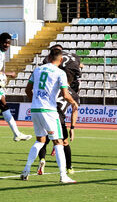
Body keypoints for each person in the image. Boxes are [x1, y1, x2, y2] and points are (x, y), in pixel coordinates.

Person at [20, 49, 78, 183]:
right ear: (61, 60)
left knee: (40, 140)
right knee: (58, 142)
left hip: (35, 109)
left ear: (49, 56)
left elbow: (28, 89)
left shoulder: (38, 70)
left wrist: (35, 101)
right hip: (49, 111)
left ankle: (26, 170)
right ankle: (63, 176)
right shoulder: (60, 73)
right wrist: (73, 102)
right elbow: (65, 94)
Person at [37, 70, 79, 175]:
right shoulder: (74, 95)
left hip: (47, 115)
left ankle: (42, 159)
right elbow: (75, 111)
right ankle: (68, 168)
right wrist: (72, 128)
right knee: (64, 143)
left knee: (43, 141)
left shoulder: (55, 88)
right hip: (59, 119)